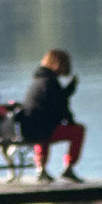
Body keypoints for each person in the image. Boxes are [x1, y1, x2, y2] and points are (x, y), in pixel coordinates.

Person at [18, 49, 83, 183]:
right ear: (57, 63)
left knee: (43, 129)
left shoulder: (39, 80)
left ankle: (41, 169)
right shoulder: (50, 81)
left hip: (29, 128)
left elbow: (56, 99)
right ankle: (68, 169)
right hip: (42, 130)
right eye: (66, 64)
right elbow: (61, 105)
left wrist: (68, 90)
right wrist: (70, 122)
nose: (68, 68)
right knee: (78, 130)